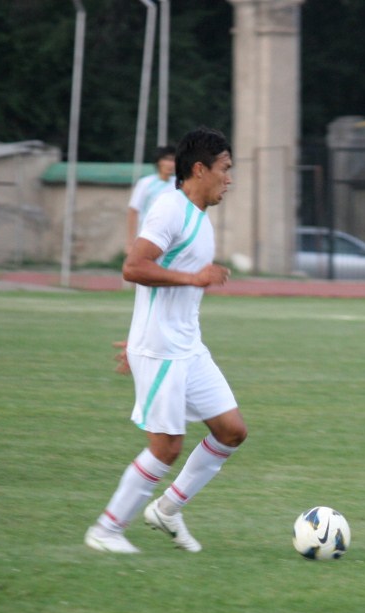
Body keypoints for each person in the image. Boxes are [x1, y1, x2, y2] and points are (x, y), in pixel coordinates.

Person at [85, 126, 242, 554]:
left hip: (187, 347)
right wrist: (193, 280)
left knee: (231, 431)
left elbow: (163, 291)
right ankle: (106, 530)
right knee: (165, 448)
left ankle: (168, 509)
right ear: (199, 169)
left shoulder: (200, 219)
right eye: (225, 169)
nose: (229, 179)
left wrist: (136, 337)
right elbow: (134, 267)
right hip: (162, 351)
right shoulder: (170, 209)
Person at [126, 145, 177, 252]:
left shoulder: (178, 184)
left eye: (173, 160)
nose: (171, 164)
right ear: (159, 162)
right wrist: (130, 243)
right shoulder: (145, 183)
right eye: (167, 159)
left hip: (171, 240)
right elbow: (133, 210)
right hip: (148, 236)